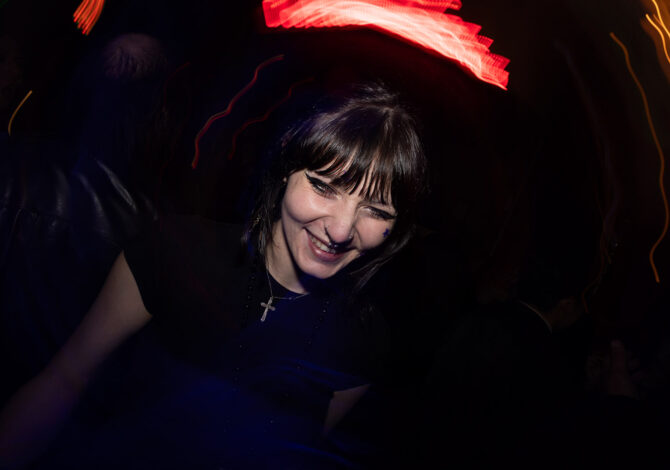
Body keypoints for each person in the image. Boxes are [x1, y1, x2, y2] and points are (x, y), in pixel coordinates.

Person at [0, 82, 427, 468]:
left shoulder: (364, 336)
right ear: (285, 169)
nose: (341, 230)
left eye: (375, 211)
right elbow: (66, 378)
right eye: (323, 186)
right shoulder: (177, 252)